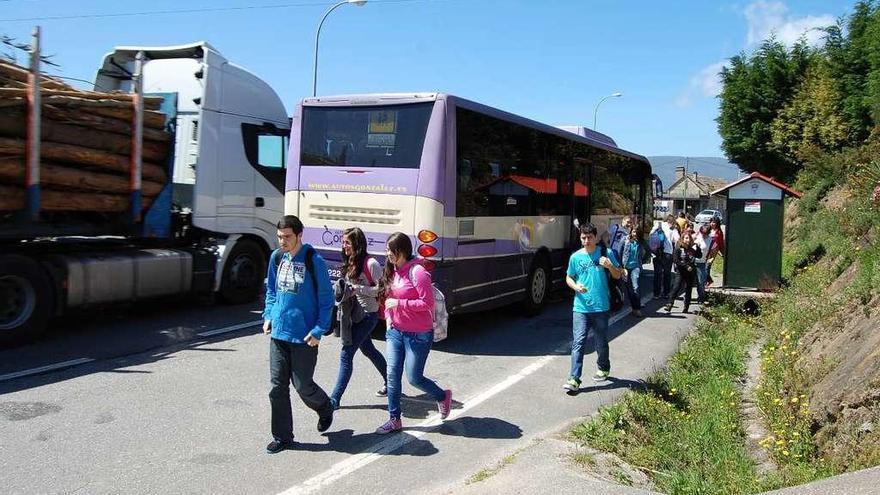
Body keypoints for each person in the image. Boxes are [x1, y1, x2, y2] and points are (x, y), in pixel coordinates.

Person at [263, 215, 335, 454]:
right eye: (280, 237)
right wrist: (268, 315)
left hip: (305, 336)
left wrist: (318, 330)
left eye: (287, 237)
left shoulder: (315, 262)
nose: (283, 242)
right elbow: (272, 291)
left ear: (299, 235)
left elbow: (327, 301)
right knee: (277, 387)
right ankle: (283, 437)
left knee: (303, 385)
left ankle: (324, 406)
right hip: (279, 334)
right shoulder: (276, 258)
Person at [375, 232, 452, 434]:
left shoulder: (417, 272)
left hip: (418, 334)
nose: (388, 254)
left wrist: (400, 303)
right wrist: (390, 321)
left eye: (391, 251)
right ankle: (394, 419)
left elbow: (427, 303)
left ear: (402, 251)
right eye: (387, 250)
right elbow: (388, 298)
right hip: (395, 333)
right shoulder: (392, 270)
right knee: (392, 375)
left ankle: (442, 396)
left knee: (414, 378)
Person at [329, 227, 388, 411]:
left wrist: (357, 289)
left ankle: (334, 399)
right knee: (369, 350)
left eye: (347, 242)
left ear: (357, 243)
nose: (344, 245)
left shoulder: (371, 264)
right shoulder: (350, 260)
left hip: (369, 316)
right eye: (343, 241)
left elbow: (381, 289)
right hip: (353, 314)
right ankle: (391, 382)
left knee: (346, 354)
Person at [564, 222, 623, 393]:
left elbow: (618, 275)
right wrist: (575, 287)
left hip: (601, 307)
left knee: (601, 340)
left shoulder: (606, 253)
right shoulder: (575, 257)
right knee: (579, 342)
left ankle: (603, 367)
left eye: (590, 237)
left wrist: (610, 266)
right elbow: (569, 277)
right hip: (580, 307)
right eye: (583, 238)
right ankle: (574, 378)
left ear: (596, 238)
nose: (586, 241)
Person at [665, 231, 702, 314]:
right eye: (686, 238)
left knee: (688, 289)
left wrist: (697, 247)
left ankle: (686, 307)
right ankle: (670, 303)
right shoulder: (679, 248)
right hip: (681, 271)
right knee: (676, 287)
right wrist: (685, 266)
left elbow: (699, 255)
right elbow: (675, 260)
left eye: (689, 238)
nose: (687, 240)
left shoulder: (692, 249)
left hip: (690, 272)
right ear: (682, 239)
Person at [620, 226, 648, 317]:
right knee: (629, 290)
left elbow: (648, 251)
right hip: (626, 267)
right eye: (633, 232)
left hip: (636, 267)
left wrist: (642, 261)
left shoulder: (641, 242)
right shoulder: (625, 240)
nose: (634, 234)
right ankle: (634, 308)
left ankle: (638, 308)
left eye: (636, 232)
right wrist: (620, 266)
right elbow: (619, 252)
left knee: (636, 287)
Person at [694, 224, 713, 304]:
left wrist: (710, 259)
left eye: (705, 233)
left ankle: (701, 297)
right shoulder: (696, 237)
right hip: (693, 261)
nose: (703, 235)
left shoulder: (711, 240)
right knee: (690, 282)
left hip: (702, 262)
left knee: (701, 281)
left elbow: (713, 250)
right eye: (702, 233)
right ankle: (687, 299)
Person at [706, 216, 725, 287]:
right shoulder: (708, 230)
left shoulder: (719, 232)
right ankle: (709, 280)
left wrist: (722, 253)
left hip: (713, 252)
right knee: (704, 266)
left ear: (717, 223)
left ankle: (707, 282)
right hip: (706, 250)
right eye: (711, 222)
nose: (712, 224)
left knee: (707, 266)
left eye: (714, 222)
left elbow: (721, 244)